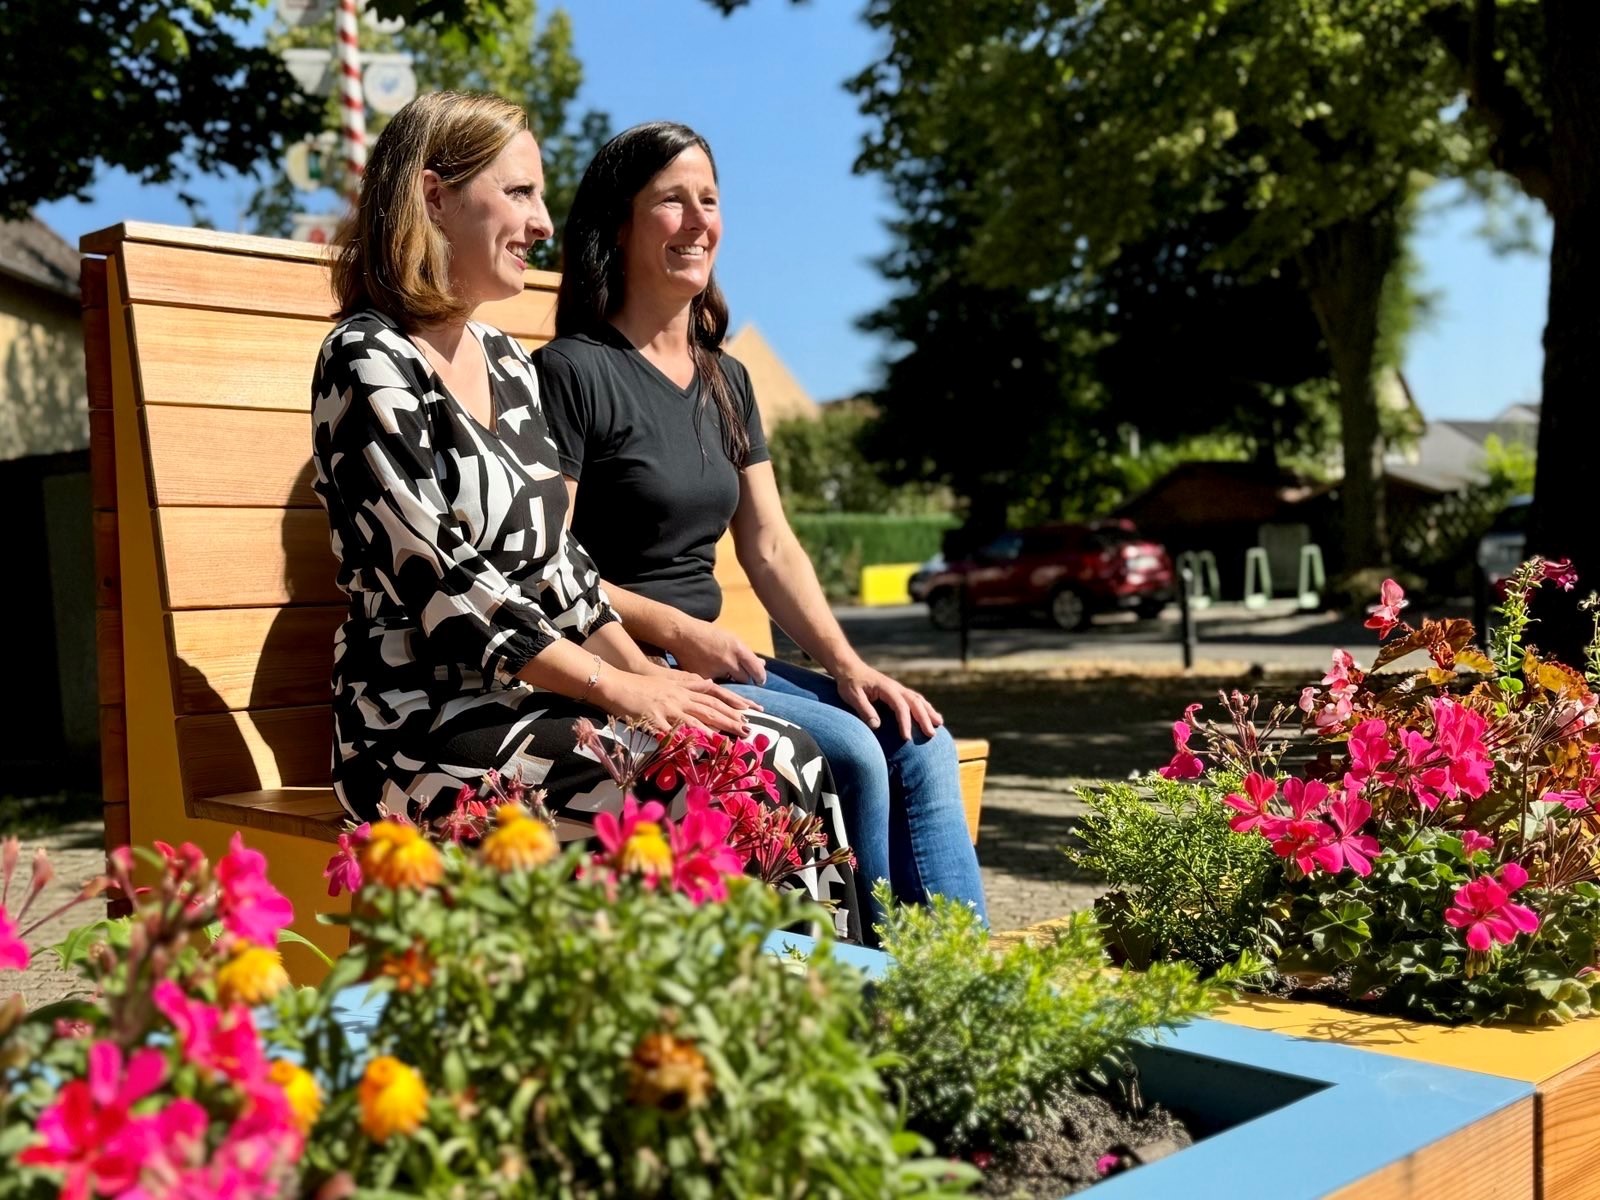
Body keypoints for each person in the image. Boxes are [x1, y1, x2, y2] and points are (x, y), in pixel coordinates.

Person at [311, 93, 861, 938]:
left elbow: (558, 565)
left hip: (535, 701)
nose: (542, 223)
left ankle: (817, 1004)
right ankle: (743, 1001)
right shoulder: (365, 359)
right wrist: (621, 689)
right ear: (434, 197)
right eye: (520, 193)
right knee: (743, 777)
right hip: (421, 727)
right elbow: (450, 592)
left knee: (769, 753)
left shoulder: (503, 361)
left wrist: (647, 678)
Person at [534, 121, 987, 923]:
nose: (698, 222)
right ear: (618, 226)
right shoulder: (572, 371)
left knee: (918, 739)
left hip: (718, 665)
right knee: (850, 752)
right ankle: (870, 980)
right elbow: (549, 563)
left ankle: (961, 981)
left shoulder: (727, 380)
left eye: (709, 201)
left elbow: (771, 546)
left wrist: (848, 665)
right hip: (629, 667)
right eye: (671, 201)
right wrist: (680, 631)